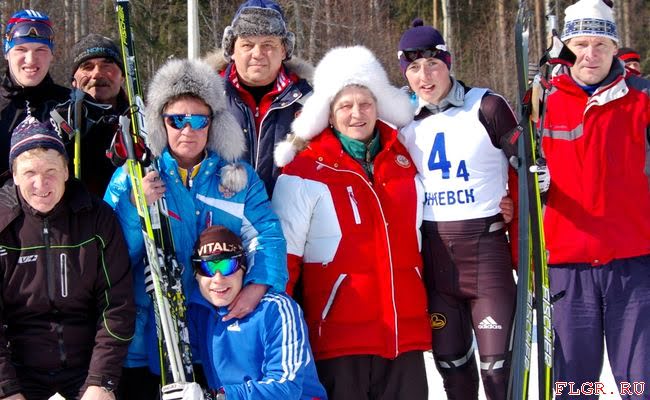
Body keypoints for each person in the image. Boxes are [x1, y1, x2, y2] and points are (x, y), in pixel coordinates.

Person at [104, 58, 287, 399]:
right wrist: (134, 205)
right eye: (176, 120)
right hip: (150, 334)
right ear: (160, 122)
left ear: (213, 124)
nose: (187, 130)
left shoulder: (237, 178)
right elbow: (110, 255)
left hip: (217, 332)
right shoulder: (132, 177)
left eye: (199, 120)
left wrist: (258, 285)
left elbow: (266, 234)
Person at [272, 46, 431, 400]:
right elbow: (284, 260)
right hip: (339, 342)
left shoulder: (405, 157)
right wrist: (280, 332)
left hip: (403, 335)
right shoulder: (304, 170)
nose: (357, 114)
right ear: (329, 113)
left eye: (365, 103)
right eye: (345, 106)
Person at [397, 19, 521, 400]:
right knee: (453, 372)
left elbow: (528, 165)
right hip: (436, 262)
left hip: (486, 255)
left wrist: (518, 204)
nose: (424, 76)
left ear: (448, 63)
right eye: (414, 68)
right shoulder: (399, 117)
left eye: (433, 64)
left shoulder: (486, 106)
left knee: (498, 374)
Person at [542, 0, 650, 398]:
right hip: (567, 266)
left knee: (639, 383)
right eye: (581, 44)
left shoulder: (642, 98)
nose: (590, 54)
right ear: (567, 48)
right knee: (575, 386)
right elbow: (511, 176)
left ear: (615, 47)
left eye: (601, 44)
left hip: (633, 263)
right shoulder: (542, 102)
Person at [0, 117, 135, 400]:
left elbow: (117, 305)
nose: (41, 183)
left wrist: (101, 381)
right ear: (14, 175)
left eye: (50, 170)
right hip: (19, 372)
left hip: (86, 369)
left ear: (66, 171)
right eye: (29, 172)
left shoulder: (96, 218)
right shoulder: (3, 225)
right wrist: (7, 389)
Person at [168, 225, 326, 400]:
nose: (218, 279)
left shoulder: (276, 309)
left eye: (227, 265)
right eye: (208, 268)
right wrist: (159, 295)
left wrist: (215, 396)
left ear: (243, 267)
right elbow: (167, 363)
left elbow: (286, 388)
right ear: (196, 274)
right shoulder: (199, 312)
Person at [205, 0, 313, 197]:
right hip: (217, 213)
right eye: (247, 44)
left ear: (284, 50)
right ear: (231, 48)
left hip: (286, 214)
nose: (257, 54)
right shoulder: (205, 98)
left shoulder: (310, 103)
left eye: (268, 45)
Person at [0, 9, 69, 177]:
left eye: (41, 50)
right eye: (21, 49)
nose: (30, 59)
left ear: (51, 54)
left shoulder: (71, 104)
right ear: (7, 52)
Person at [59, 33, 129, 197]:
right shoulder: (60, 122)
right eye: (87, 66)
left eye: (107, 65)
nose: (97, 74)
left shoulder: (141, 120)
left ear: (122, 76)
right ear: (74, 81)